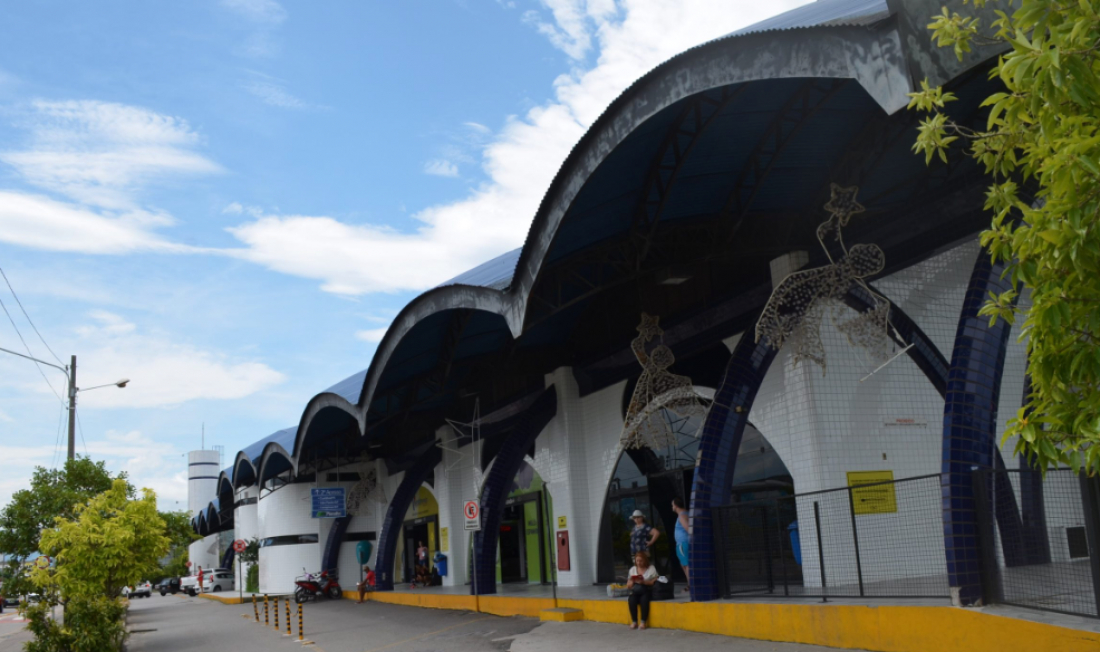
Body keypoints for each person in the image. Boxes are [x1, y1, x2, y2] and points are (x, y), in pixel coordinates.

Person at [625, 551, 658, 630]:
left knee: (644, 599)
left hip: (647, 589)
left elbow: (655, 582)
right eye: (637, 561)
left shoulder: (651, 569)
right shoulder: (633, 570)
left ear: (645, 560)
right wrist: (632, 581)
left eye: (641, 561)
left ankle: (643, 622)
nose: (639, 563)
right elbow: (628, 585)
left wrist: (644, 582)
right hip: (636, 590)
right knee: (631, 599)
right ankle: (634, 621)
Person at [672, 497, 691, 593]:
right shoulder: (686, 513)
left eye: (672, 505)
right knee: (684, 564)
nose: (672, 507)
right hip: (684, 543)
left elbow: (688, 528)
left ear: (675, 505)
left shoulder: (681, 516)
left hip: (683, 543)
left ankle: (691, 585)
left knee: (686, 564)